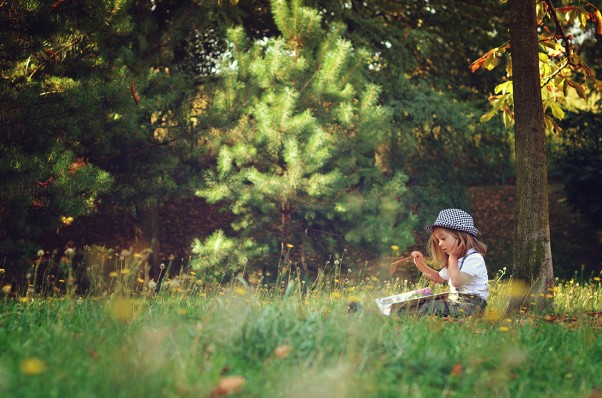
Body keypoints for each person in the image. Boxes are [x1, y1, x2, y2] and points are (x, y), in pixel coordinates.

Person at [404, 208, 489, 317]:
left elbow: (456, 281)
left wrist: (452, 258)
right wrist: (420, 263)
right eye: (438, 240)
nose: (440, 244)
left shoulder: (474, 259)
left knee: (432, 307)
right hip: (455, 303)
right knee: (422, 302)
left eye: (443, 238)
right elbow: (438, 278)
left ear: (461, 236)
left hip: (472, 306)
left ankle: (406, 315)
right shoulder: (455, 260)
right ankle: (402, 313)